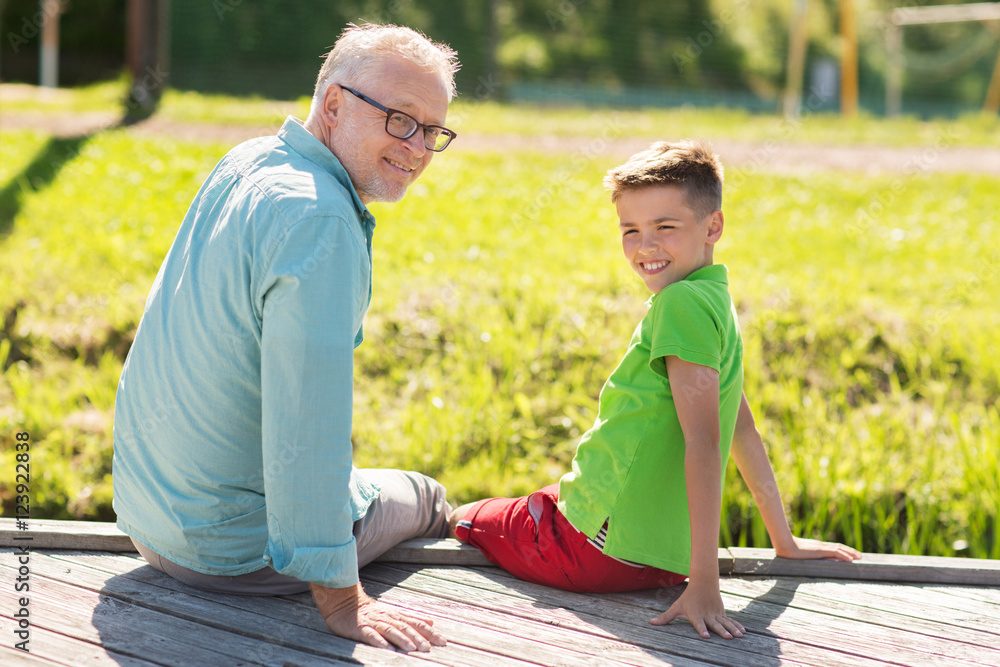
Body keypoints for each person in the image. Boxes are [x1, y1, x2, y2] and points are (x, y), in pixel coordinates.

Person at [112, 23, 461, 653]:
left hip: (147, 520)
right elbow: (308, 425)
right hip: (228, 554)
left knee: (358, 479)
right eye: (401, 120)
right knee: (428, 496)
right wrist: (341, 597)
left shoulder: (249, 159)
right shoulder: (321, 220)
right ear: (333, 104)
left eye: (434, 131)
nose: (419, 148)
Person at [450, 140, 862, 640]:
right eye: (631, 230)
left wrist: (707, 583)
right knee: (554, 495)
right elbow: (743, 428)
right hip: (661, 560)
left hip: (595, 551)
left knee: (464, 517)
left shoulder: (680, 305)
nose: (645, 246)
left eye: (665, 227)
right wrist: (784, 540)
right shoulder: (714, 296)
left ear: (713, 226)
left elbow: (706, 445)